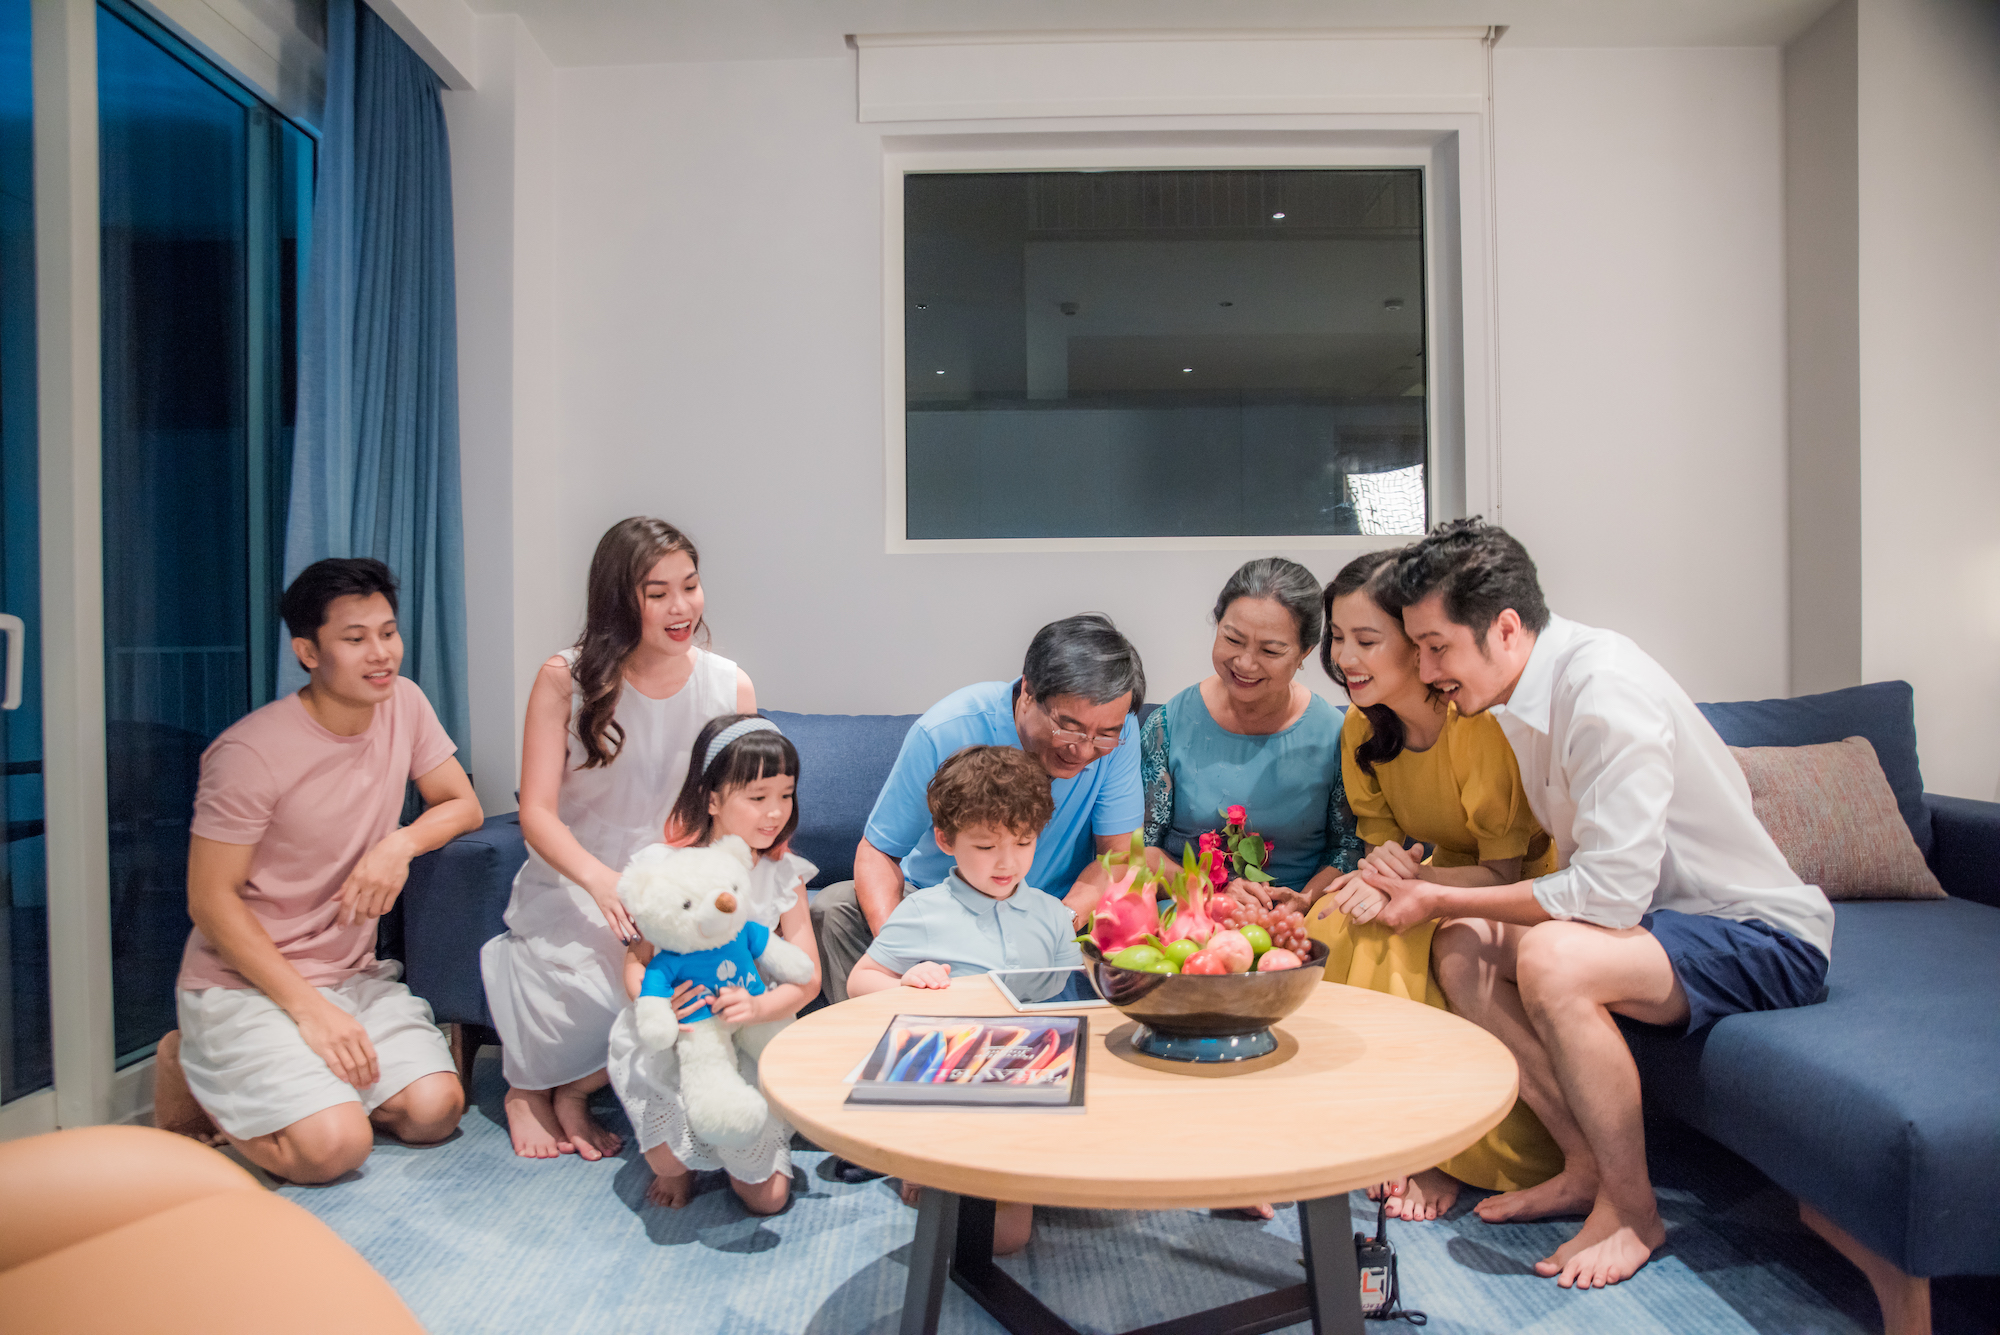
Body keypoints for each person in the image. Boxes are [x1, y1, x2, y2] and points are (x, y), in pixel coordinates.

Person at [1355, 518, 1833, 1289]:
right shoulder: (1519, 698)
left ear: (1505, 627)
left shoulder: (1602, 689)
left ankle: (1633, 1210)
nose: (1428, 669)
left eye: (1437, 646)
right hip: (1659, 928)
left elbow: (1608, 894)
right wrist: (1441, 897)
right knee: (1464, 940)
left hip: (1756, 936)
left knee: (1553, 956)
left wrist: (1435, 891)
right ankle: (1581, 1164)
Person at [151, 558, 482, 1183]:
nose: (381, 653)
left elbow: (461, 804)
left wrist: (398, 845)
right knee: (334, 1150)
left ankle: (306, 1084)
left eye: (388, 632)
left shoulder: (404, 703)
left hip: (350, 973)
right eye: (355, 639)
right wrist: (311, 1012)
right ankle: (186, 1061)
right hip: (249, 982)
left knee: (435, 1112)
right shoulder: (249, 754)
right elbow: (210, 900)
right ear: (308, 652)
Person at [481, 518, 755, 1160]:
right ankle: (528, 1089)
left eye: (690, 586)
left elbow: (738, 809)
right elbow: (536, 813)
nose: (681, 607)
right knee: (600, 987)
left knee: (686, 986)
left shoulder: (729, 685)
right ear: (618, 599)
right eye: (658, 593)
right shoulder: (565, 679)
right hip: (582, 877)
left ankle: (575, 1091)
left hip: (680, 885)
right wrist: (601, 882)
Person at [1306, 548, 1564, 1221]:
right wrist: (1383, 876)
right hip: (1427, 878)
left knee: (1394, 930)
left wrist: (1406, 882)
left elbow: (1506, 868)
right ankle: (1365, 1122)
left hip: (1511, 889)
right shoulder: (1360, 727)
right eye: (1338, 638)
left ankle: (1434, 1144)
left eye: (1367, 640)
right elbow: (1381, 845)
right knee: (1332, 920)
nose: (1345, 657)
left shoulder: (1474, 724)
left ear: (1417, 644)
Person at [812, 613, 1145, 1004]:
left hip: (1050, 906)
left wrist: (1058, 921)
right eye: (1069, 727)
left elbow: (1119, 857)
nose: (1084, 750)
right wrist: (908, 949)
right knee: (835, 907)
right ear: (1028, 692)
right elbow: (879, 852)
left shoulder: (1117, 734)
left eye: (1105, 735)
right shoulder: (945, 730)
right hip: (941, 905)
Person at [848, 745, 1080, 1255]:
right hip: (948, 1071)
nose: (1007, 862)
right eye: (985, 846)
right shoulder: (924, 911)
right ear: (946, 840)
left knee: (1024, 1222)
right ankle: (923, 1158)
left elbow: (1071, 996)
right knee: (1001, 1237)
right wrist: (909, 983)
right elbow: (860, 981)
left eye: (1024, 842)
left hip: (1028, 1071)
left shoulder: (1052, 915)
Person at [606, 715, 820, 1215]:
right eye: (757, 796)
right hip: (685, 1034)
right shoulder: (667, 866)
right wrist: (659, 1005)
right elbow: (636, 961)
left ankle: (739, 1150)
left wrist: (760, 1007)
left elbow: (807, 976)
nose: (775, 812)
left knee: (768, 1200)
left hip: (754, 1028)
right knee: (668, 1157)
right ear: (712, 799)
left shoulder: (784, 874)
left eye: (786, 795)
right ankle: (676, 1162)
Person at [1141, 557, 1361, 912]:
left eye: (1270, 650)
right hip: (1190, 909)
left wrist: (1304, 901)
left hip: (1295, 917)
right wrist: (1208, 893)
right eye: (1232, 639)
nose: (1245, 663)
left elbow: (1347, 849)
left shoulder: (1336, 736)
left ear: (1304, 652)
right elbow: (1141, 847)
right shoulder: (1167, 726)